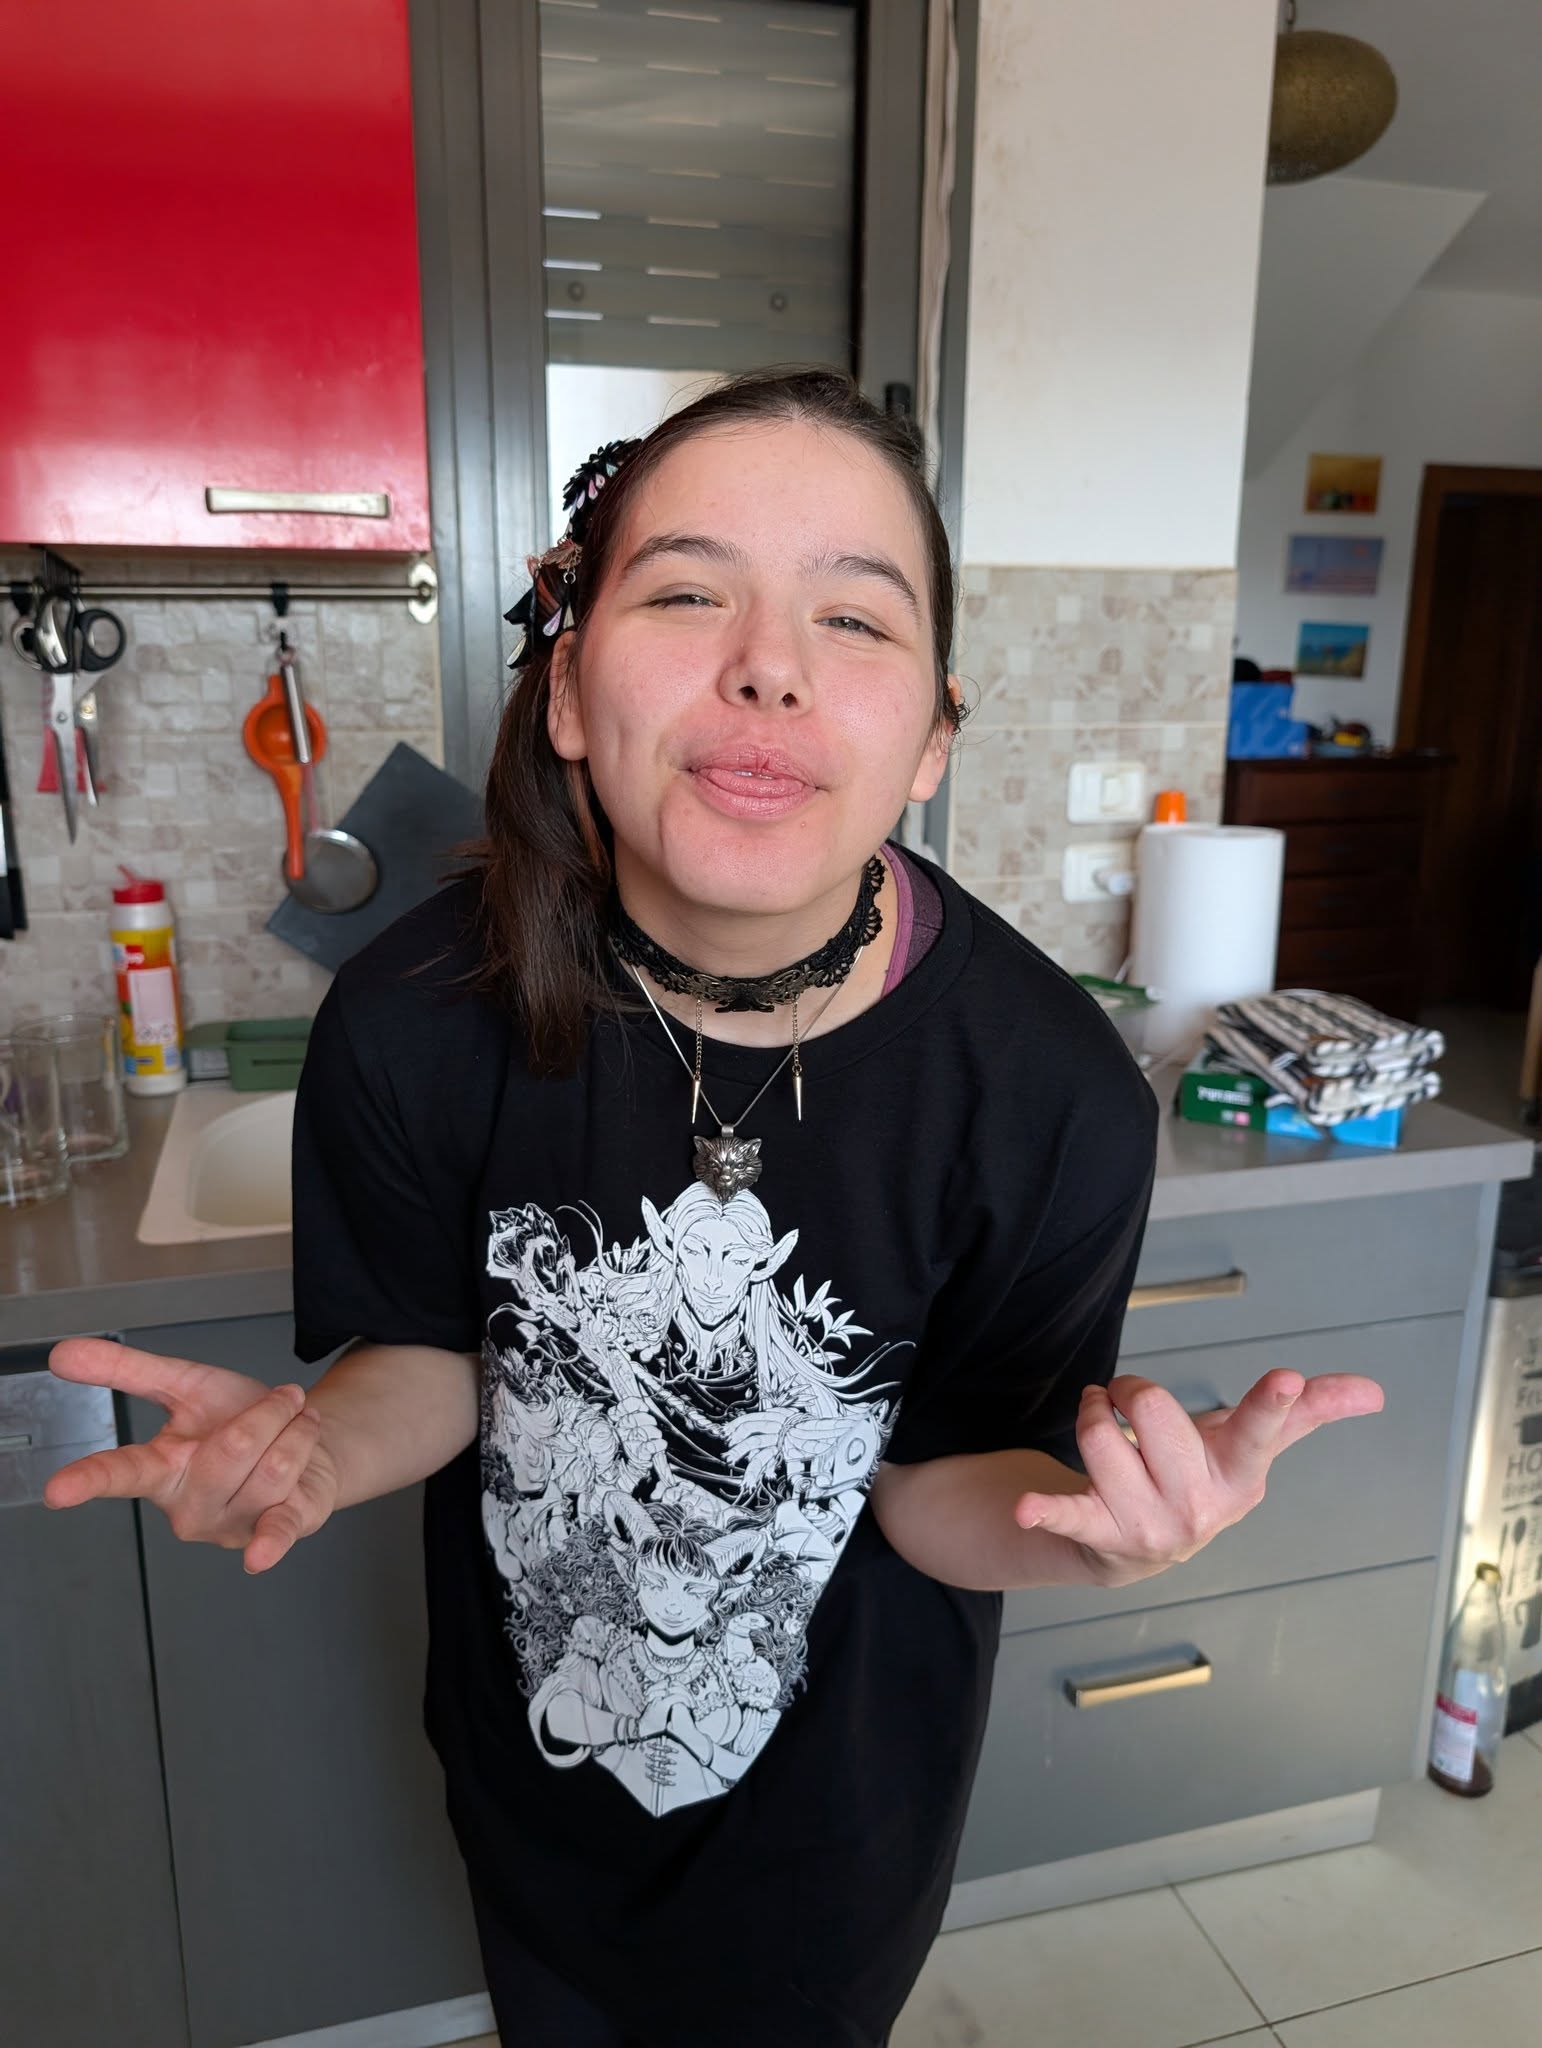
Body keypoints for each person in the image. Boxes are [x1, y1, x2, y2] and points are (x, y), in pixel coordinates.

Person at [43, 367, 1385, 2047]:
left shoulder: (1046, 1093)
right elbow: (435, 1352)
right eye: (687, 594)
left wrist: (1099, 1536)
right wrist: (317, 1449)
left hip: (838, 1834)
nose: (768, 663)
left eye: (853, 617)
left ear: (931, 737)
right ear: (568, 692)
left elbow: (936, 1490)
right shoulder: (414, 1013)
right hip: (527, 1774)